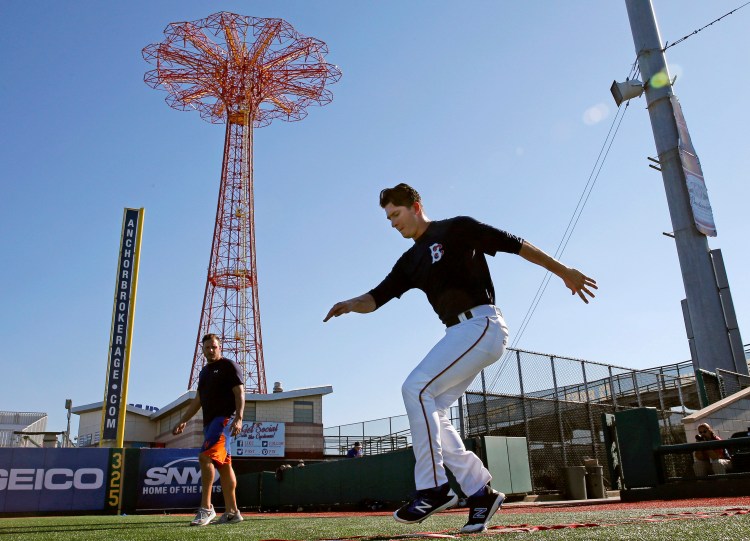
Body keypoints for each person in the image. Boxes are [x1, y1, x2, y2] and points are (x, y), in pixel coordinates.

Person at [324, 183, 596, 533]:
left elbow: (516, 244)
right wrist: (351, 303)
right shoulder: (410, 260)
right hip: (458, 334)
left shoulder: (456, 228)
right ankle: (479, 491)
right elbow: (377, 297)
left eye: (396, 214)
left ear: (416, 205)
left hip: (483, 324)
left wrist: (564, 271)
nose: (392, 223)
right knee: (432, 408)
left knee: (415, 388)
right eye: (388, 218)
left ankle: (433, 487)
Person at [173, 333, 245, 526]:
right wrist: (184, 420)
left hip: (223, 422)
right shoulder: (204, 372)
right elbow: (198, 400)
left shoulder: (229, 366)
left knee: (205, 457)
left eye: (214, 347)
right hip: (209, 424)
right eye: (207, 348)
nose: (211, 350)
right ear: (203, 350)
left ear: (219, 347)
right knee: (224, 465)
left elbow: (239, 392)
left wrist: (239, 417)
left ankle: (206, 508)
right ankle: (232, 512)